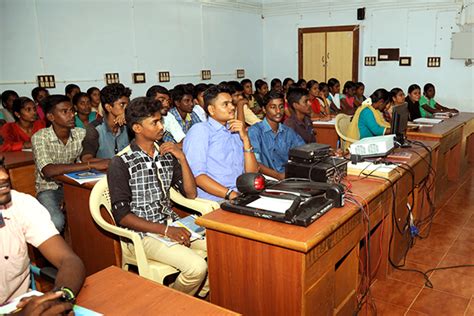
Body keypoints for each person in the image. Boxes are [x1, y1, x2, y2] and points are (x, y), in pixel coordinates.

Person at [107, 96, 208, 297]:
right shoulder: (121, 162)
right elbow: (123, 217)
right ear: (137, 128)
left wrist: (182, 158)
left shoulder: (165, 153)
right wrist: (165, 230)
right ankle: (170, 302)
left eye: (160, 120)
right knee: (196, 268)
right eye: (154, 122)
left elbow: (191, 193)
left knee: (221, 251)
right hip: (143, 233)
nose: (161, 126)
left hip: (170, 223)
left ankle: (196, 299)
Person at [0, 155, 85, 308]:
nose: (4, 175)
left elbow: (69, 260)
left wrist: (60, 297)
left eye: (1, 165)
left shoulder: (21, 204)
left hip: (17, 306)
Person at [32, 95, 108, 231]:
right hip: (49, 188)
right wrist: (90, 165)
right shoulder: (40, 137)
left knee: (98, 213)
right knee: (56, 222)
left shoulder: (80, 133)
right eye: (65, 112)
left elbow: (87, 156)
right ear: (51, 117)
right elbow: (48, 170)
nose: (72, 115)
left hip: (75, 185)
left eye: (72, 111)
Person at [183, 84, 258, 201]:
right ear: (211, 110)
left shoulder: (235, 130)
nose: (232, 107)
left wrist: (246, 140)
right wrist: (230, 194)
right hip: (216, 199)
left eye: (232, 103)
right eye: (225, 104)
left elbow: (251, 174)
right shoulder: (201, 130)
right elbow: (198, 176)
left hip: (242, 193)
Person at [248, 91, 304, 180]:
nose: (278, 111)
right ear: (264, 109)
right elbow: (255, 163)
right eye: (273, 107)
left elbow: (304, 150)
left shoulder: (288, 131)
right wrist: (278, 176)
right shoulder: (255, 131)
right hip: (266, 179)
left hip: (286, 177)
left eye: (281, 107)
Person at [81, 83, 131, 161]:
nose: (127, 108)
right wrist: (114, 163)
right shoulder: (95, 128)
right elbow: (86, 159)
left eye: (128, 104)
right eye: (122, 104)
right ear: (108, 107)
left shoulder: (130, 125)